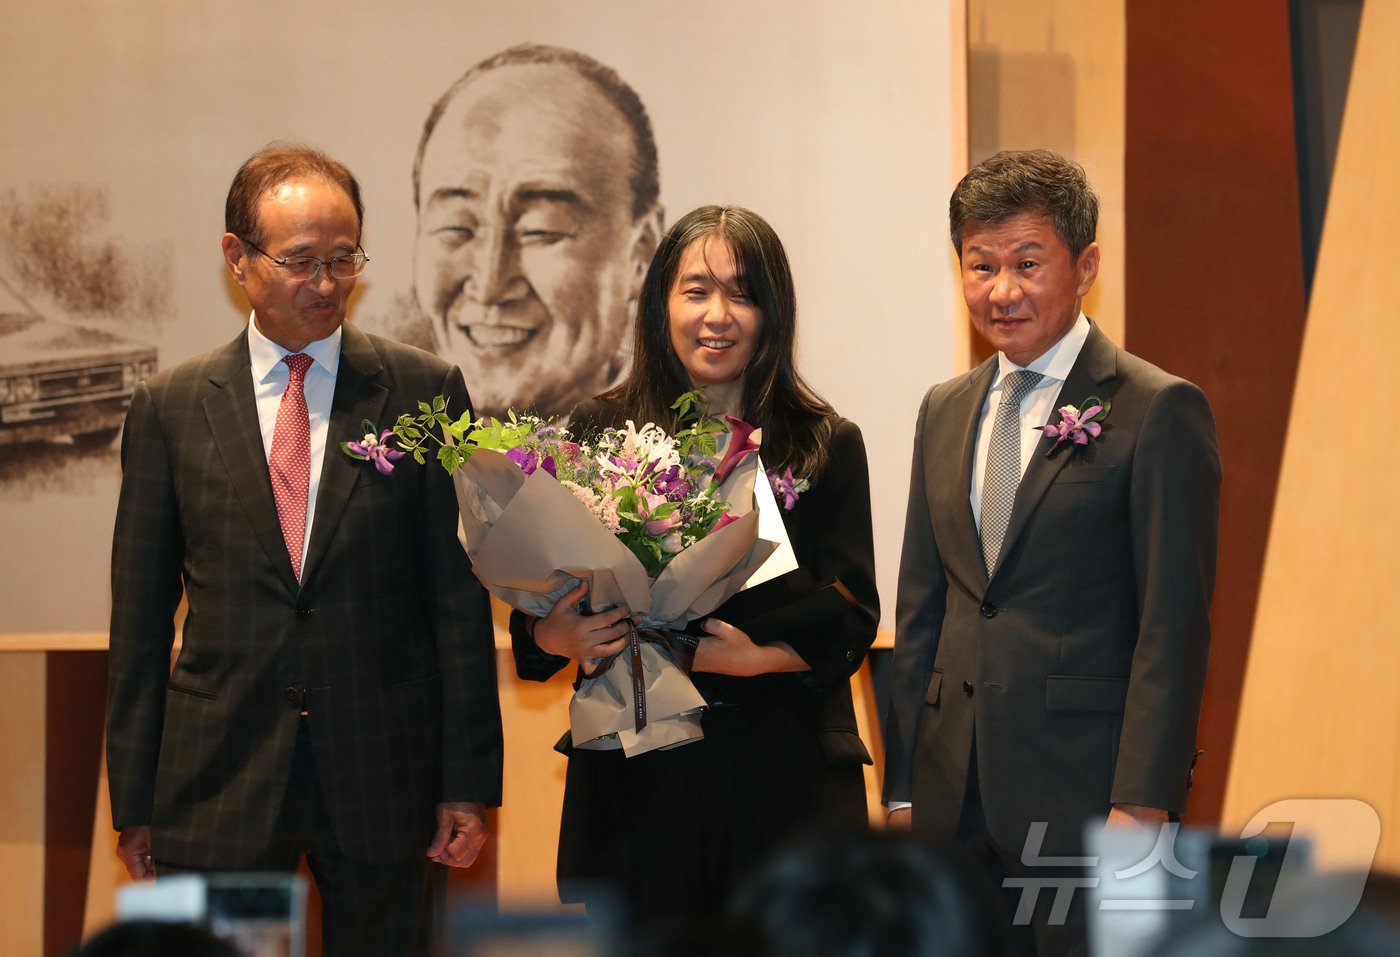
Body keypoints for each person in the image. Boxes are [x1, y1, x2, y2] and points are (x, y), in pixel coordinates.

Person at [106, 144, 504, 956]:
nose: (326, 284)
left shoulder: (423, 390)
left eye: (343, 258)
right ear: (237, 257)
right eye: (299, 261)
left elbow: (456, 605)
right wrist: (134, 795)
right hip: (216, 778)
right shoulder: (171, 408)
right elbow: (139, 621)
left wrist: (466, 780)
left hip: (385, 773)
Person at [882, 149, 1220, 954]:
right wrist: (902, 787)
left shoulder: (1157, 408)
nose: (1002, 291)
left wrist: (1142, 802)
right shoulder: (945, 408)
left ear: (1086, 264)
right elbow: (922, 606)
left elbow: (1173, 626)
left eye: (1028, 263)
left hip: (1088, 793)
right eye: (981, 265)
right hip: (949, 795)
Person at [510, 205, 879, 930]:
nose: (718, 315)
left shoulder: (824, 443)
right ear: (661, 303)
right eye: (696, 289)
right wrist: (560, 637)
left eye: (742, 292)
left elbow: (852, 615)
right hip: (639, 780)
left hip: (780, 780)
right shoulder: (599, 430)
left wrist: (756, 659)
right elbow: (539, 612)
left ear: (773, 311)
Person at [411, 44, 665, 419]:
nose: (490, 285)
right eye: (456, 227)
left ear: (640, 253)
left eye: (541, 230)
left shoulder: (687, 454)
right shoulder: (379, 437)